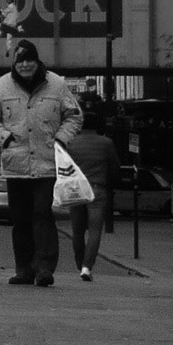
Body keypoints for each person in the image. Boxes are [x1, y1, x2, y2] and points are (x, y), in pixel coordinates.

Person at [0, 42, 82, 286]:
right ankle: (24, 269)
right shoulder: (3, 85)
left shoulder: (57, 84)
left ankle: (44, 268)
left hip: (46, 164)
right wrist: (4, 138)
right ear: (14, 63)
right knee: (21, 219)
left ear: (38, 61)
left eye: (30, 60)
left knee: (42, 214)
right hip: (16, 165)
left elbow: (74, 117)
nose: (25, 65)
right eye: (20, 60)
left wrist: (61, 139)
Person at [60, 104, 119, 281]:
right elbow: (114, 167)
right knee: (94, 231)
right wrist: (111, 183)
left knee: (77, 231)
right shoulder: (106, 143)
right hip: (97, 188)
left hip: (76, 189)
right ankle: (87, 267)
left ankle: (79, 263)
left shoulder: (71, 142)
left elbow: (64, 166)